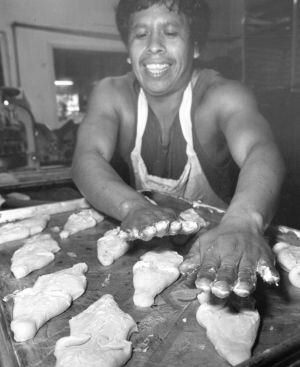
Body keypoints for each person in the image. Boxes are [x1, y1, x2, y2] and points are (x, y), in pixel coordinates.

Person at [72, 0, 285, 298]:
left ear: (195, 47)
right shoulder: (114, 95)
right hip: (153, 261)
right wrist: (132, 206)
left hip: (219, 257)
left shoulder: (220, 96)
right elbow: (87, 157)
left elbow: (260, 150)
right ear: (128, 51)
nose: (154, 46)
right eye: (141, 34)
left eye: (170, 32)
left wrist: (244, 221)